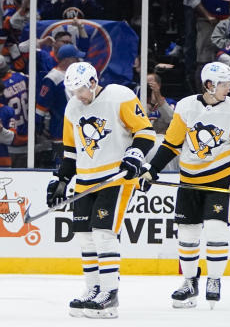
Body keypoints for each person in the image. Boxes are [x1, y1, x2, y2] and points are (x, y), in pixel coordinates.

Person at [141, 63, 230, 309]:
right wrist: (152, 169)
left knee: (215, 230)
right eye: (224, 84)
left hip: (219, 178)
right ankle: (190, 282)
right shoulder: (186, 106)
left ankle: (214, 280)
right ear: (209, 85)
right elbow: (172, 143)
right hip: (189, 179)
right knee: (187, 235)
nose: (229, 89)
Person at [47, 62, 156, 318]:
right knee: (84, 235)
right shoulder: (73, 106)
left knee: (104, 232)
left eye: (81, 90)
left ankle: (110, 293)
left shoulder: (120, 95)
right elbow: (71, 150)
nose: (78, 96)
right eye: (73, 91)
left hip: (114, 178)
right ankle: (92, 288)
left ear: (94, 82)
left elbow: (145, 132)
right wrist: (61, 179)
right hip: (85, 179)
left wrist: (134, 156)